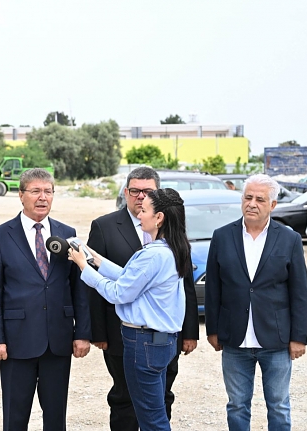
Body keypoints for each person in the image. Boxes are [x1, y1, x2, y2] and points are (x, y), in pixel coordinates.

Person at [86, 167, 198, 430]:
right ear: (126, 192)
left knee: (152, 418)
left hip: (144, 342)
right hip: (159, 340)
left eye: (146, 203)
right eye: (135, 192)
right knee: (143, 406)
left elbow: (120, 291)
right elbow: (129, 276)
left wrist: (84, 268)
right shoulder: (173, 245)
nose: (140, 209)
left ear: (158, 217)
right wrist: (96, 261)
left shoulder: (153, 252)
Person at [0, 168, 91, 430]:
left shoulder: (67, 233)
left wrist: (82, 333)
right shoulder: (0, 235)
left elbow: (79, 288)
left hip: (58, 340)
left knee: (55, 418)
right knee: (15, 416)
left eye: (48, 191)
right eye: (35, 191)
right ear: (21, 195)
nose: (42, 197)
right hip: (17, 342)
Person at [205, 174, 307, 431]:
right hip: (234, 340)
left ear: (272, 205)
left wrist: (299, 337)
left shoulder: (289, 239)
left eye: (260, 199)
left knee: (279, 405)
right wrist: (213, 329)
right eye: (248, 197)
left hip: (276, 340)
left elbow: (299, 293)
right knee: (237, 405)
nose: (252, 203)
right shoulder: (222, 236)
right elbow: (213, 289)